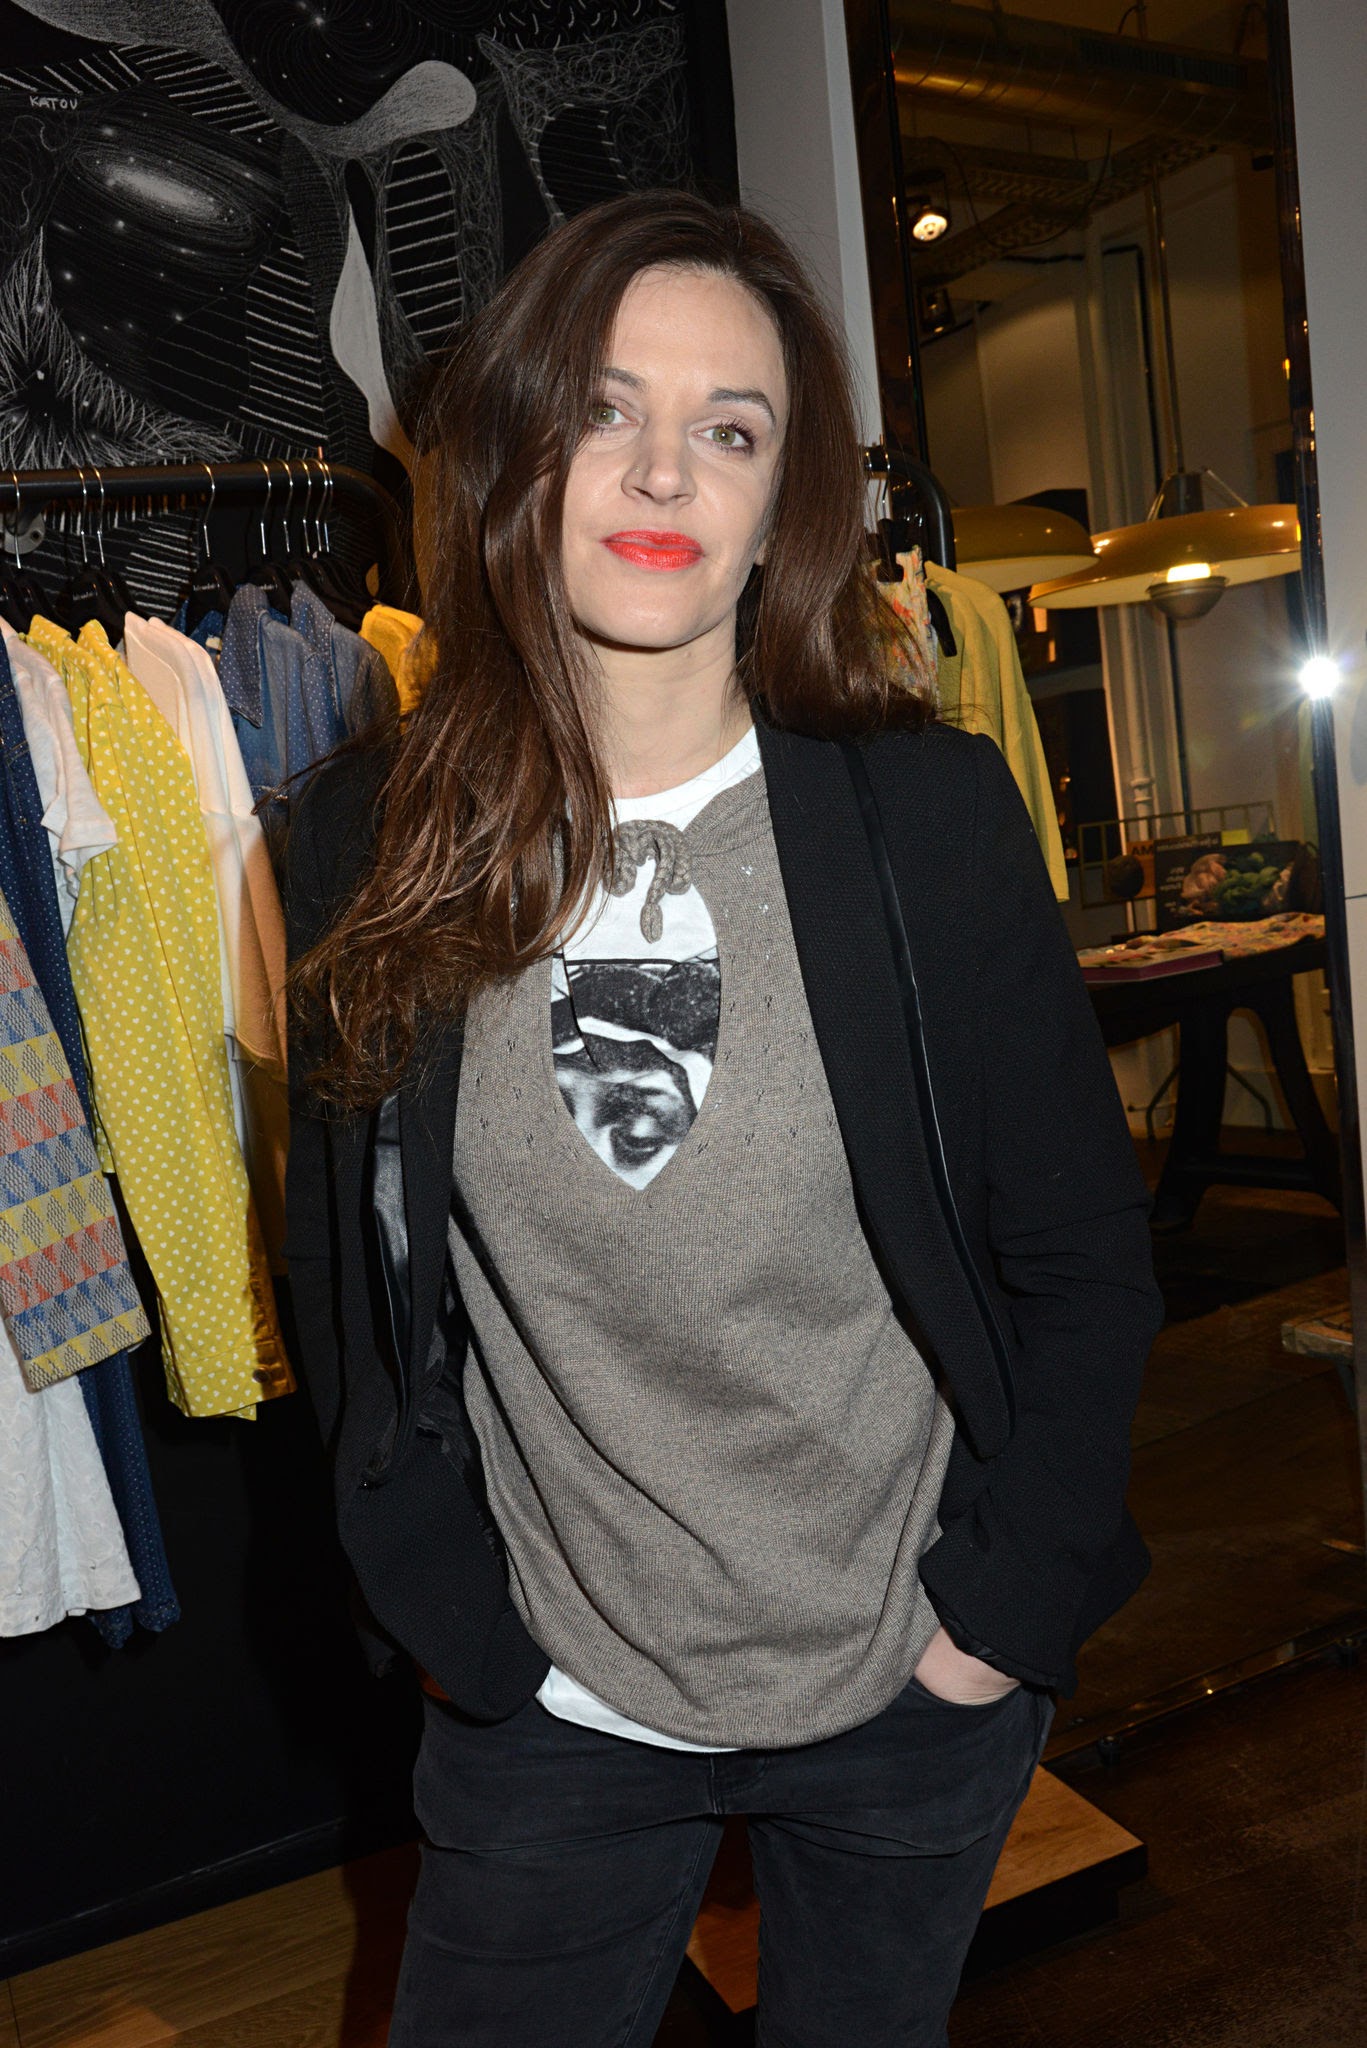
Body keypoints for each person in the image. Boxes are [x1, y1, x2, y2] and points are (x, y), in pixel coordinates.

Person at [285, 189, 1163, 2048]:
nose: (663, 470)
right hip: (557, 1701)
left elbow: (1085, 1256)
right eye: (606, 408)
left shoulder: (924, 820)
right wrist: (457, 1628)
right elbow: (353, 1300)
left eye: (732, 429)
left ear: (786, 503)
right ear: (520, 452)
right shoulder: (363, 841)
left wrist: (997, 1621)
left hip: (906, 1672)